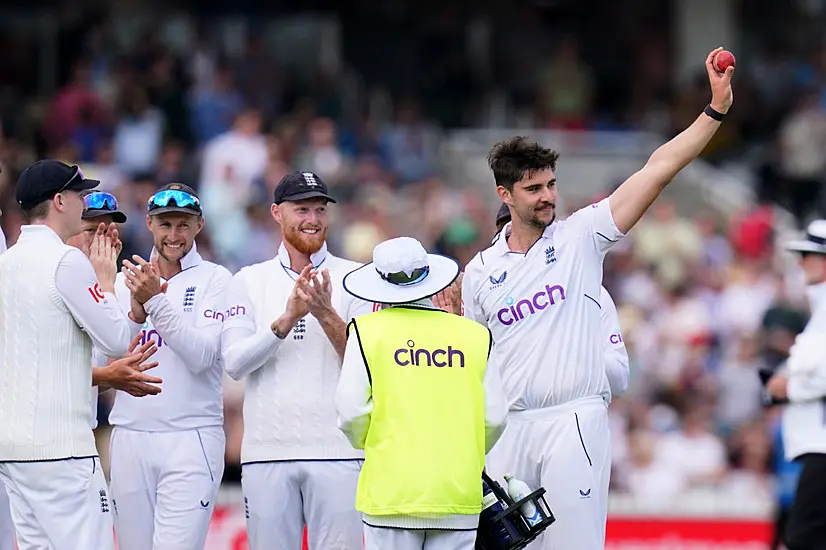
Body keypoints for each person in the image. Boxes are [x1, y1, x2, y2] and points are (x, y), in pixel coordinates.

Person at [461, 49, 734, 549]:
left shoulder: (581, 236)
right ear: (505, 195)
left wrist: (713, 111)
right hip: (508, 430)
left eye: (551, 185)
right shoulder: (478, 272)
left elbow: (658, 169)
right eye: (533, 189)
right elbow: (476, 366)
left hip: (574, 421)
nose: (547, 196)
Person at [221, 171, 374, 550]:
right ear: (276, 213)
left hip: (339, 452)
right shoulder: (248, 280)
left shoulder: (356, 278)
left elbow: (369, 367)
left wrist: (325, 314)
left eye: (320, 209)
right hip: (267, 452)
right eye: (302, 209)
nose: (313, 219)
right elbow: (235, 363)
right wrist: (285, 320)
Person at [336, 236, 507, 550]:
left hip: (390, 495)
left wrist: (379, 444)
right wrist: (465, 452)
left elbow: (350, 415)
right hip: (458, 495)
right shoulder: (475, 335)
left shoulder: (366, 331)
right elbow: (495, 418)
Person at [0, 160, 137, 550]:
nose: (84, 203)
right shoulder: (66, 260)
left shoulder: (5, 263)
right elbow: (115, 340)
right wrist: (107, 282)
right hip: (64, 453)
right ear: (59, 201)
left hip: (12, 451)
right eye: (79, 195)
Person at [107, 183, 231, 550]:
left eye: (183, 225)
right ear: (149, 224)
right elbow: (107, 358)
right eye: (165, 225)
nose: (173, 235)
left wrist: (155, 302)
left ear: (199, 225)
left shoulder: (215, 279)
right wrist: (133, 312)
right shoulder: (121, 280)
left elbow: (202, 356)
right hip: (130, 435)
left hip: (190, 437)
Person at [493, 203, 631, 404]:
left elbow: (619, 378)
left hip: (573, 421)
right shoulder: (486, 295)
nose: (520, 247)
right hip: (513, 424)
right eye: (509, 238)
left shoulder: (591, 291)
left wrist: (573, 352)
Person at [766, 219, 826, 550]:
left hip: (823, 447)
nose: (802, 263)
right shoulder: (818, 310)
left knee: (803, 539)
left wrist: (788, 388)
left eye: (811, 255)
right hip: (816, 445)